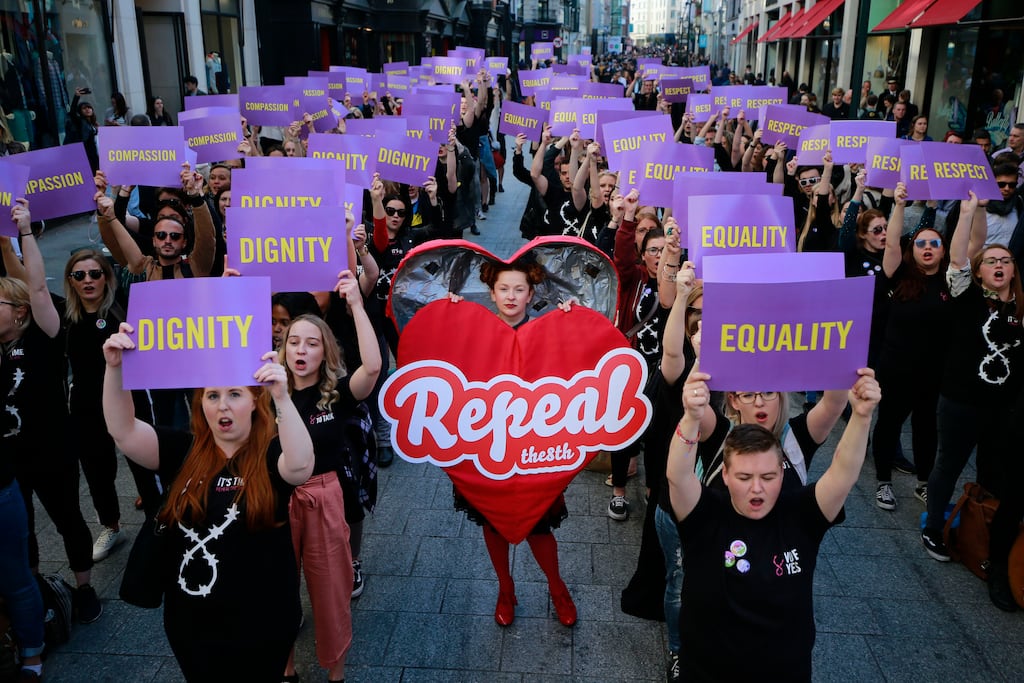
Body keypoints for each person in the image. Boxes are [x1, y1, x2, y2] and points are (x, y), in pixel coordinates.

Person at [102, 327, 315, 682]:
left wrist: (282, 397)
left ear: (254, 401)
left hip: (262, 620)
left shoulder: (271, 454)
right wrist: (114, 369)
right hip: (192, 622)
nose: (223, 405)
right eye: (212, 395)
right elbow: (122, 430)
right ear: (200, 404)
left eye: (235, 394)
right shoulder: (182, 452)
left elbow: (301, 466)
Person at [667, 329, 880, 680]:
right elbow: (678, 475)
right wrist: (690, 416)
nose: (757, 489)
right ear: (725, 475)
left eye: (768, 477)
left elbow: (842, 472)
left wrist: (862, 416)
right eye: (744, 477)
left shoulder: (801, 515)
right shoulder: (705, 518)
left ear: (783, 472)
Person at [446, 260, 578, 628]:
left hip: (534, 447)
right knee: (492, 521)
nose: (511, 296)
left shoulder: (544, 330)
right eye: (504, 288)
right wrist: (449, 316)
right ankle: (506, 589)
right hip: (487, 447)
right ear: (492, 292)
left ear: (531, 294)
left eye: (519, 289)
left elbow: (573, 366)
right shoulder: (475, 333)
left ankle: (557, 588)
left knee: (538, 526)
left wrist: (571, 321)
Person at [0, 200, 102, 624]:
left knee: (67, 519)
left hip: (53, 449)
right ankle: (38, 588)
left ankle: (84, 588)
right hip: (9, 459)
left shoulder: (45, 333)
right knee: (21, 528)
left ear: (19, 311)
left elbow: (39, 287)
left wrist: (24, 232)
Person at [279, 272, 381, 683]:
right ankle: (285, 669)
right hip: (275, 501)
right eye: (293, 341)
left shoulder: (335, 393)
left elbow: (372, 368)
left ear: (325, 353)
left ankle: (334, 673)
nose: (301, 349)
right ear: (281, 348)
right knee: (277, 590)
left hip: (324, 498)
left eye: (312, 343)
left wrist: (356, 304)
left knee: (330, 591)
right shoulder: (263, 390)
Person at [921, 192, 1024, 563]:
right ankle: (933, 527)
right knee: (947, 464)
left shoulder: (1020, 307)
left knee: (993, 472)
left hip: (1002, 409)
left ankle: (981, 531)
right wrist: (968, 212)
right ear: (979, 270)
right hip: (960, 401)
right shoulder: (968, 296)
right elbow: (958, 257)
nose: (999, 266)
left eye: (1006, 261)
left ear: (1014, 269)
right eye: (991, 261)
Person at [871, 183, 950, 510]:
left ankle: (924, 482)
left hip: (932, 371)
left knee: (926, 427)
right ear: (911, 249)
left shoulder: (950, 281)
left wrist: (976, 209)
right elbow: (891, 242)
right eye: (921, 243)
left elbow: (970, 243)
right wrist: (899, 205)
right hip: (895, 366)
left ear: (943, 251)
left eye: (934, 243)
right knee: (889, 422)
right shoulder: (897, 275)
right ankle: (883, 481)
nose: (928, 247)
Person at [62, 248, 127, 561]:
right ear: (71, 281)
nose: (88, 280)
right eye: (79, 275)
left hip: (128, 398)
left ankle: (162, 518)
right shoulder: (65, 318)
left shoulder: (122, 308)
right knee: (98, 470)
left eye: (95, 273)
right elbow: (30, 287)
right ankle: (111, 525)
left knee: (144, 465)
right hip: (87, 406)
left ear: (106, 277)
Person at [67, 88, 100, 172]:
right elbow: (72, 113)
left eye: (89, 107)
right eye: (84, 108)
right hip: (87, 155)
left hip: (95, 154)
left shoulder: (93, 124)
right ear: (80, 111)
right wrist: (76, 97)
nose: (87, 109)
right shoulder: (80, 122)